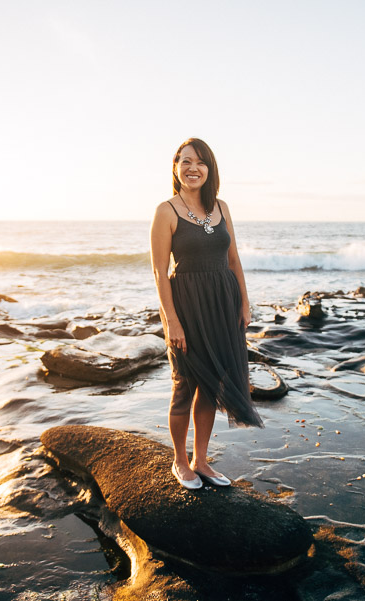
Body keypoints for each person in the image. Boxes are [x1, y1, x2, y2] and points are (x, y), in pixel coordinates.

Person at [150, 138, 264, 491]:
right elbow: (158, 271)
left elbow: (233, 259)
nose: (192, 168)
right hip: (186, 304)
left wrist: (244, 303)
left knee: (212, 384)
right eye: (185, 161)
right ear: (175, 167)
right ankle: (179, 462)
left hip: (222, 302)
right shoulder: (166, 211)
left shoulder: (221, 207)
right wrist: (171, 320)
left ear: (210, 169)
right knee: (184, 384)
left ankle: (201, 460)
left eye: (199, 162)